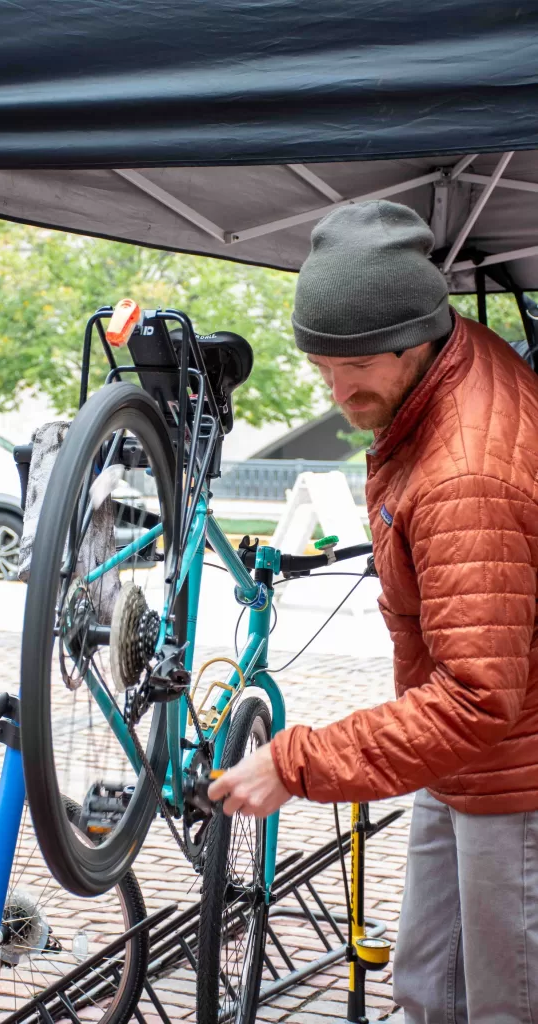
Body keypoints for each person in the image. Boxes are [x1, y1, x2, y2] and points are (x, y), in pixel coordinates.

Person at [209, 200, 538, 1022]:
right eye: (321, 364)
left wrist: (295, 764)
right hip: (463, 759)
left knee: (506, 1004)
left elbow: (476, 699)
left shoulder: (464, 475)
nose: (335, 386)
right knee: (426, 988)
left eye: (353, 366)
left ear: (414, 338)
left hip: (515, 776)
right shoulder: (448, 360)